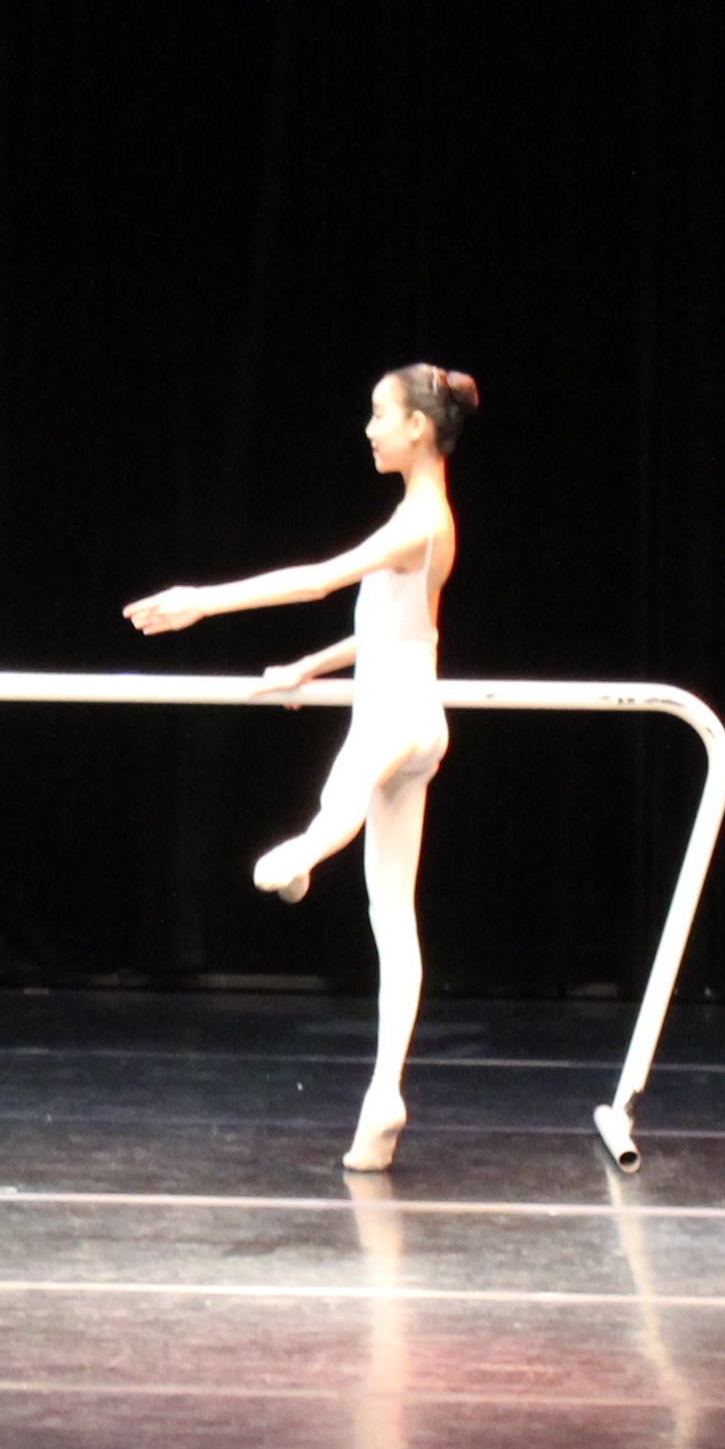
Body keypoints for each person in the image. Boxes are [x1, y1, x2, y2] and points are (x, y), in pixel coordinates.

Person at [128, 365, 475, 1173]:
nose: (370, 429)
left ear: (418, 427)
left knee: (339, 798)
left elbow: (318, 580)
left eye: (380, 414)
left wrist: (201, 600)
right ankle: (383, 1095)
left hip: (395, 717)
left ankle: (302, 856)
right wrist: (309, 667)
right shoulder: (422, 520)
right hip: (415, 714)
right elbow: (393, 630)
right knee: (393, 916)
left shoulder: (421, 520)